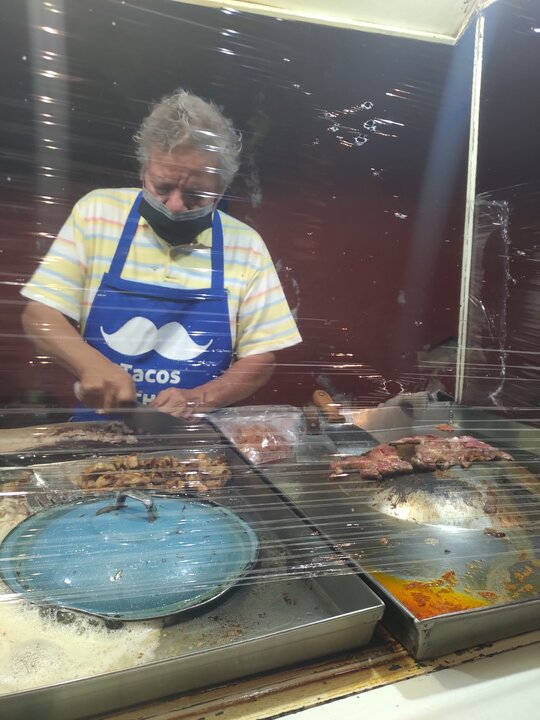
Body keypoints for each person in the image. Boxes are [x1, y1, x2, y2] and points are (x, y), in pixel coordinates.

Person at [21, 89, 301, 419]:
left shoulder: (246, 246)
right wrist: (90, 365)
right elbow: (39, 315)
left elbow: (261, 357)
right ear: (144, 171)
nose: (176, 205)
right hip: (96, 432)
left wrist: (198, 399)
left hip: (195, 440)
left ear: (221, 190)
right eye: (162, 187)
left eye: (196, 195)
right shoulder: (96, 214)